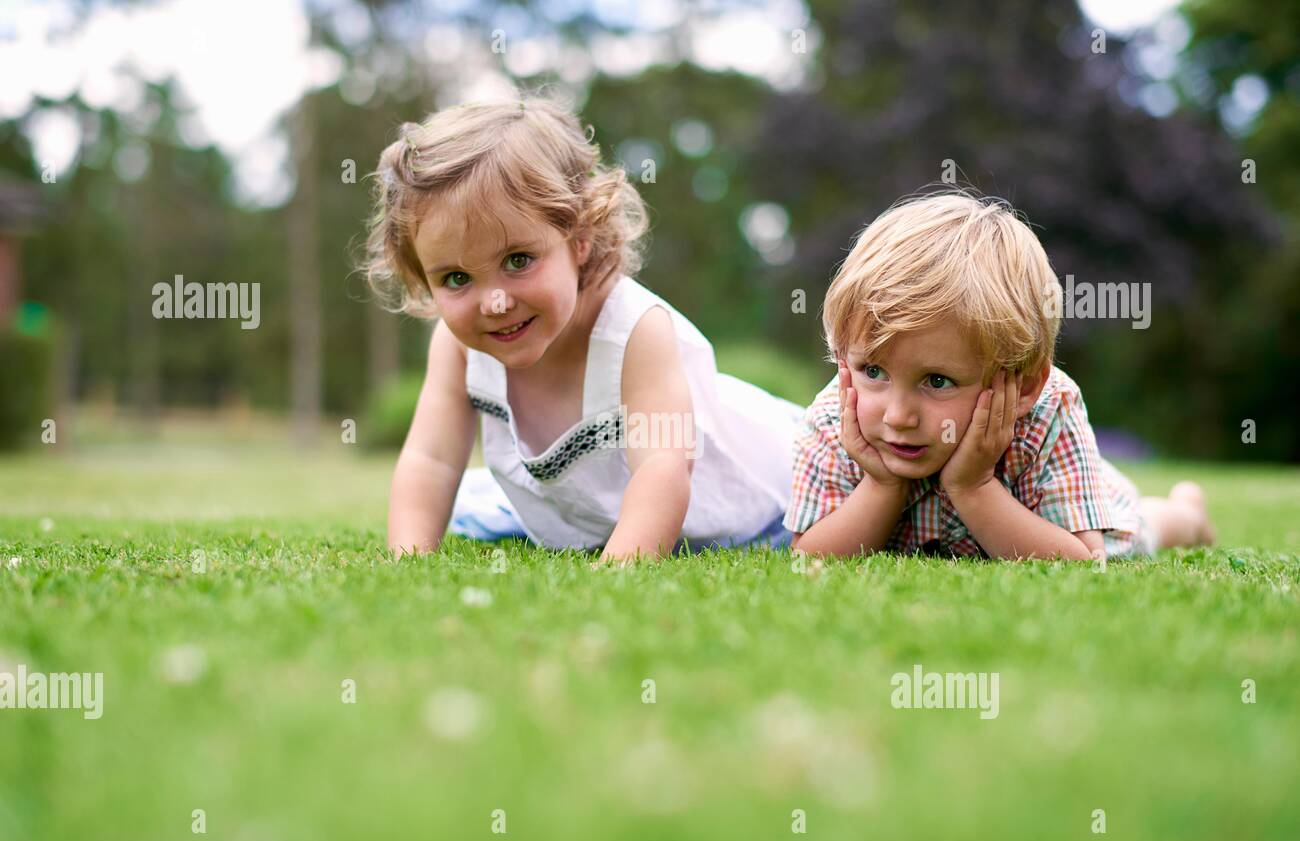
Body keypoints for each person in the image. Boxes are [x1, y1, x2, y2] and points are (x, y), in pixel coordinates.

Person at [367, 96, 801, 561]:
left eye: (518, 260)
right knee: (474, 508)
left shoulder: (635, 331)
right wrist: (408, 558)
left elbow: (663, 468)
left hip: (757, 508)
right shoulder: (457, 347)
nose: (495, 303)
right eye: (456, 278)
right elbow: (431, 460)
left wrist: (619, 569)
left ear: (580, 239)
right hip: (587, 513)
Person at [788, 191, 1216, 560]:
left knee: (1146, 529)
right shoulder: (835, 417)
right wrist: (882, 485)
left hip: (1082, 508)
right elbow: (809, 556)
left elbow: (1084, 559)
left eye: (937, 381)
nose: (898, 416)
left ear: (1023, 385)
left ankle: (1187, 513)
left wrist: (973, 487)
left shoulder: (1049, 411)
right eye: (874, 371)